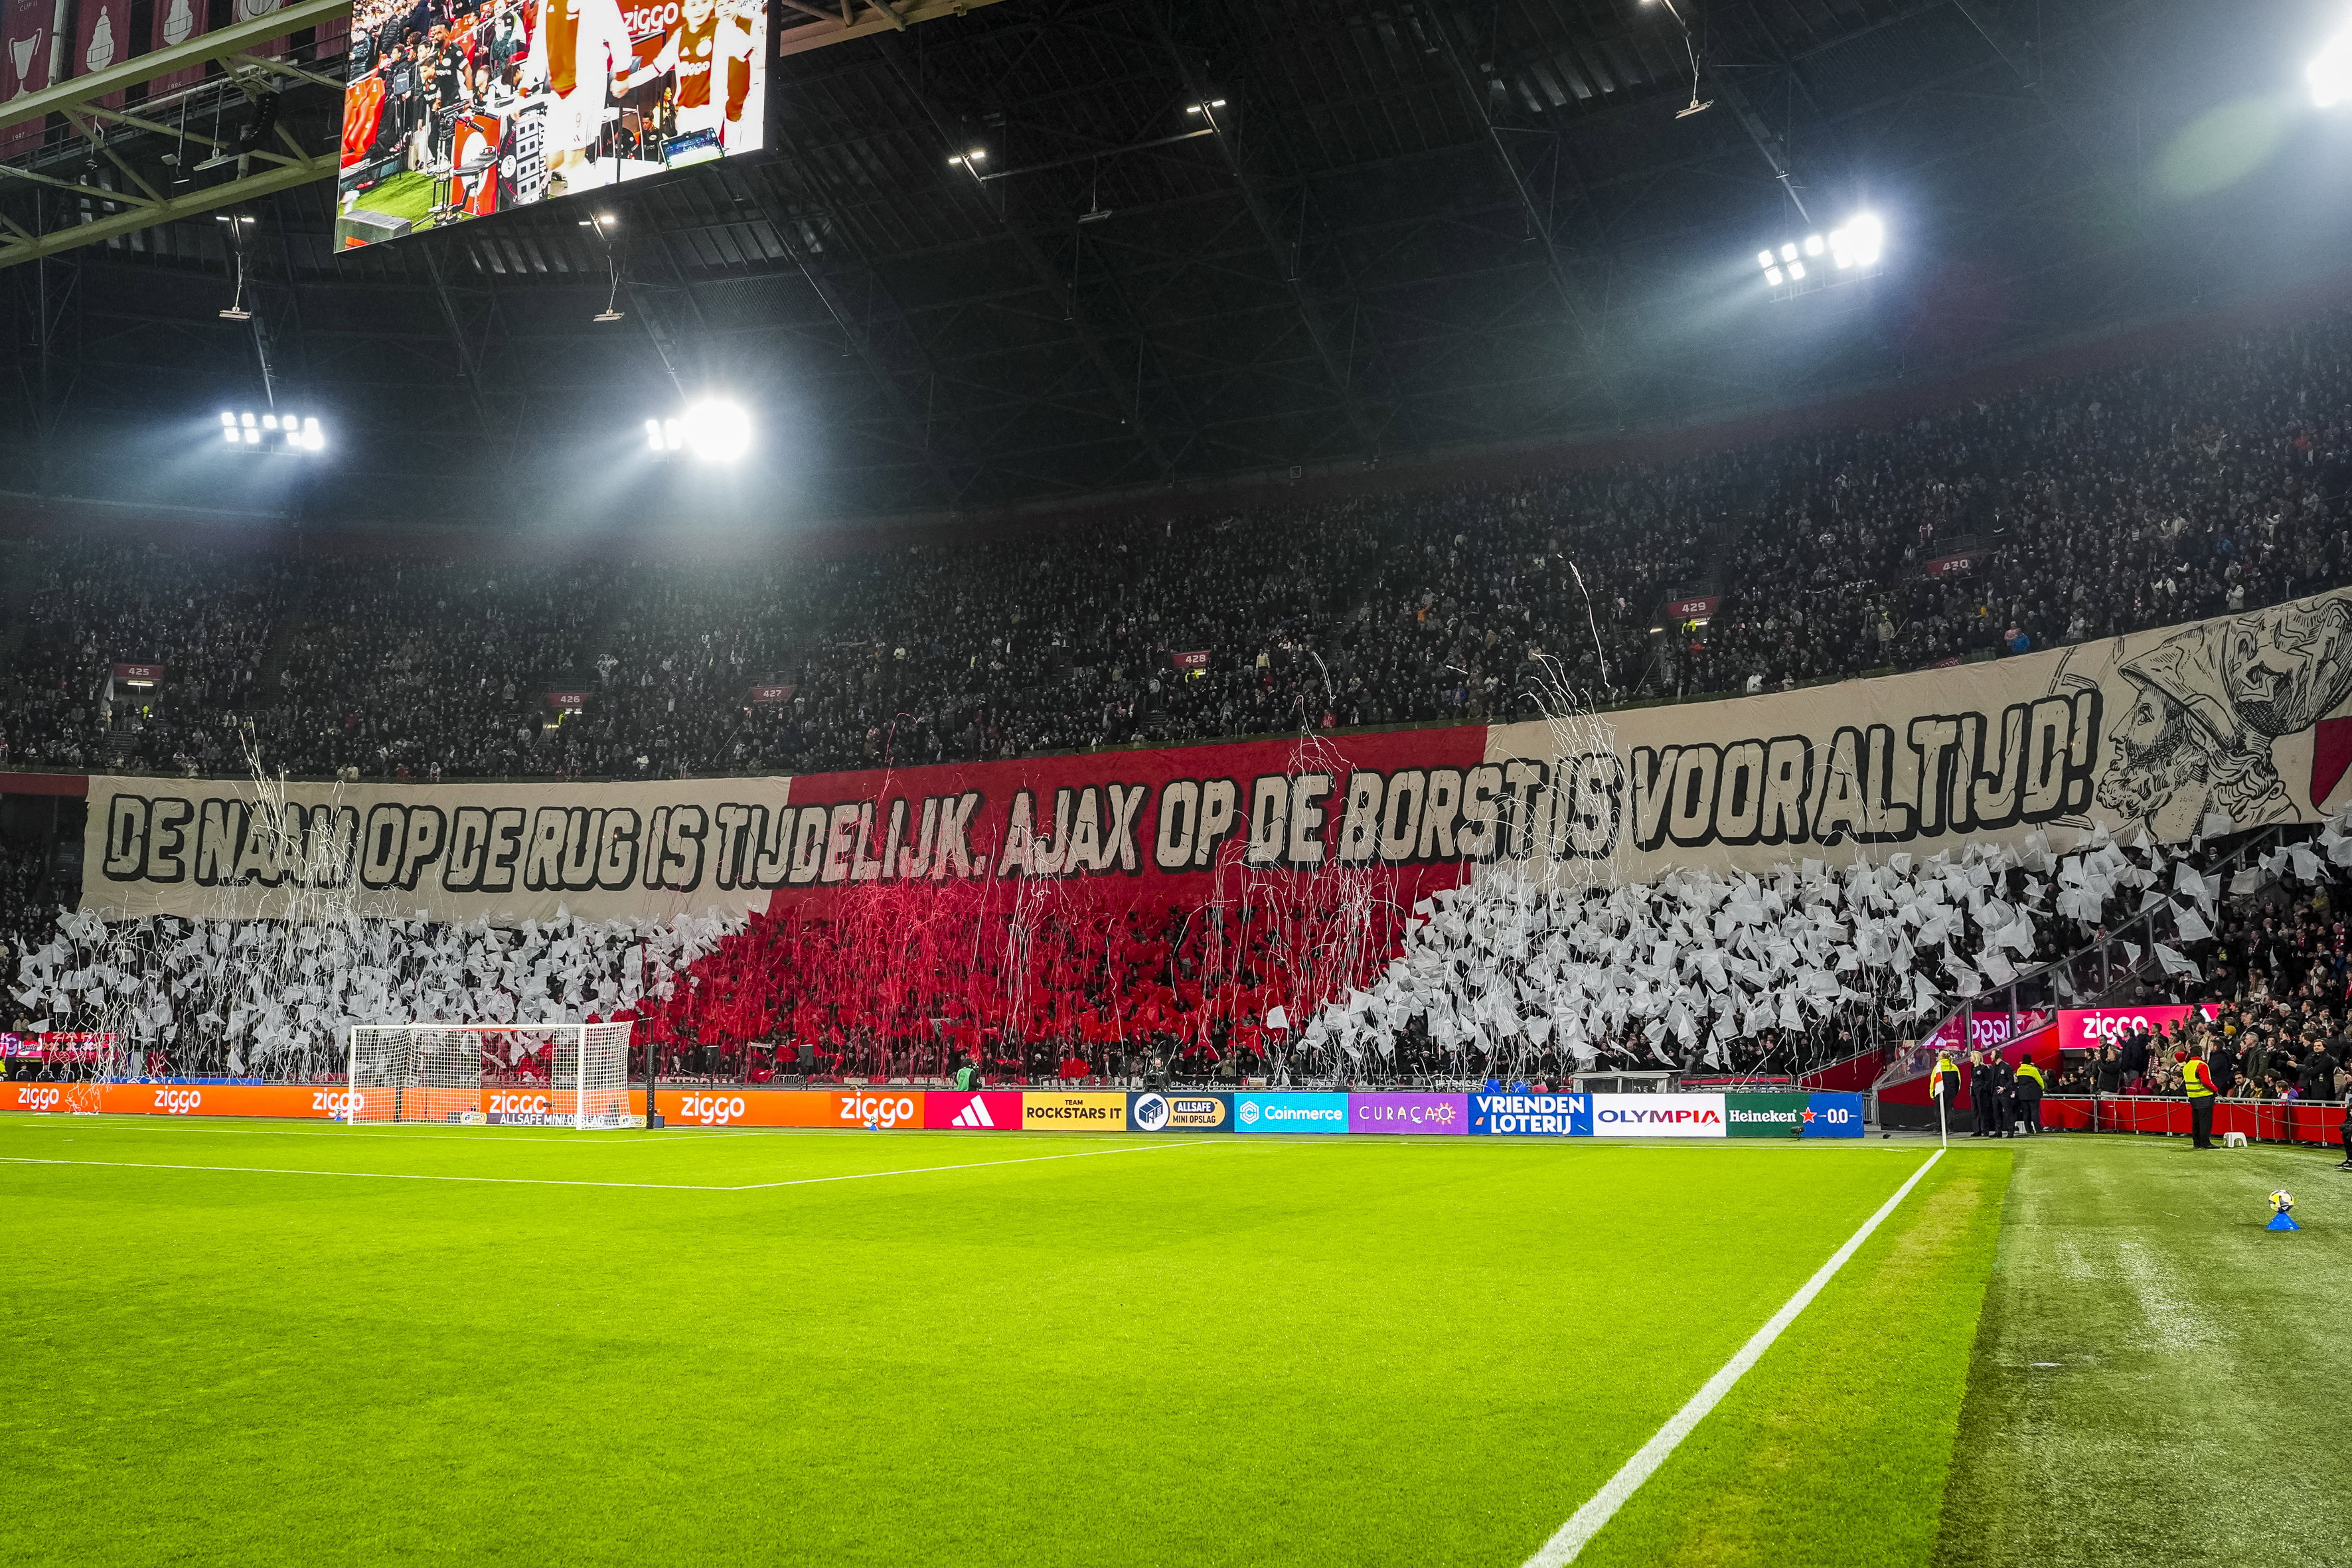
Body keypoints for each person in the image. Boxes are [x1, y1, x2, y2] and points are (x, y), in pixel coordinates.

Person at [2179, 1047, 2218, 1149]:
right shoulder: (2201, 1065)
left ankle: (2197, 1142)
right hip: (2204, 1096)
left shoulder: (2187, 1066)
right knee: (2205, 1121)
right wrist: (2215, 1089)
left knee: (2196, 1121)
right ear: (2201, 1054)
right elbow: (2206, 1081)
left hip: (2192, 1096)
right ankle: (2205, 1142)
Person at [2013, 1055, 2046, 1135]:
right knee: (2034, 1111)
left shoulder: (2019, 1070)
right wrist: (2043, 1088)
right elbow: (2040, 1081)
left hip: (2022, 1094)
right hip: (2033, 1094)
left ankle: (2028, 1129)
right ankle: (2038, 1129)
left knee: (2026, 1112)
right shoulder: (2033, 1070)